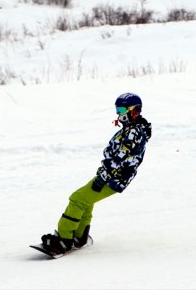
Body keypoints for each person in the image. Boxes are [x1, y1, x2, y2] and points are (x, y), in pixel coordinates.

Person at [40, 92, 152, 255]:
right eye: (117, 109)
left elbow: (121, 158)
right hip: (112, 175)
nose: (118, 114)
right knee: (86, 200)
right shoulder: (131, 129)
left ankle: (64, 241)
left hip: (114, 178)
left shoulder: (134, 132)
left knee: (77, 199)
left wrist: (104, 177)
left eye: (121, 110)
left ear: (133, 110)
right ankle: (79, 236)